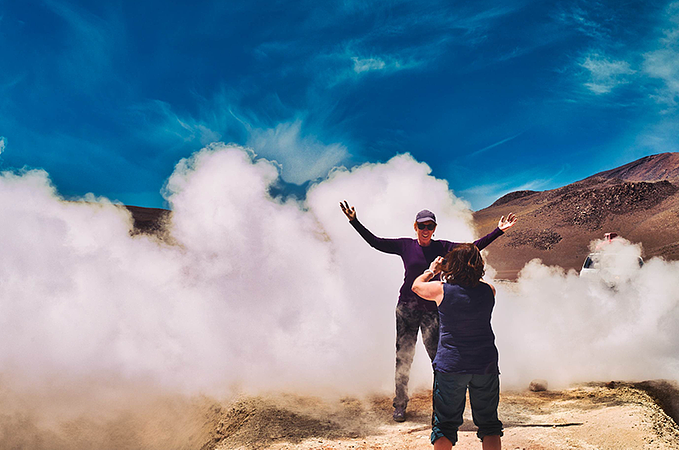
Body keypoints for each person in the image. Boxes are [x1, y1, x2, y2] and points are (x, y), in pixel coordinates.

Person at [339, 201, 516, 422]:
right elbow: (376, 243)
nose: (426, 230)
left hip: (433, 312)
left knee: (439, 360)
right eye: (422, 226)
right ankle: (400, 404)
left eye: (430, 226)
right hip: (406, 310)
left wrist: (498, 231)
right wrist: (354, 221)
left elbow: (472, 248)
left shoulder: (444, 247)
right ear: (415, 226)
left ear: (434, 228)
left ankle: (439, 408)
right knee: (403, 357)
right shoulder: (405, 246)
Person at [412, 244, 502, 450]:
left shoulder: (441, 290)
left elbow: (416, 286)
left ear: (453, 266)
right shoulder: (489, 290)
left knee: (445, 425)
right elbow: (473, 288)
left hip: (451, 366)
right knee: (489, 425)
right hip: (485, 365)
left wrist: (432, 270)